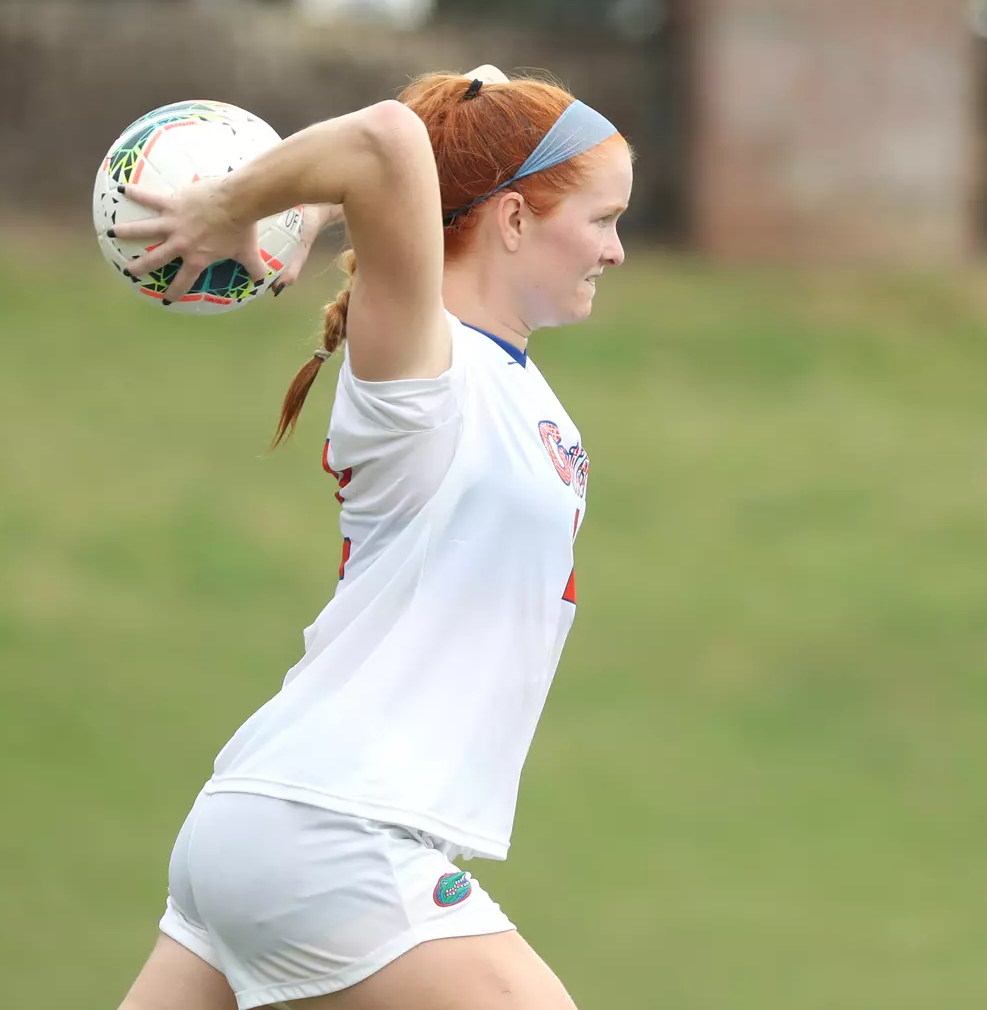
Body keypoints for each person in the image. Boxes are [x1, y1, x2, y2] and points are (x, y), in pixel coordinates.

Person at [110, 64, 632, 1010]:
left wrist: (310, 214)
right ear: (513, 221)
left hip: (262, 823)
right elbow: (390, 140)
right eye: (600, 220)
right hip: (337, 831)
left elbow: (442, 119)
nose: (617, 249)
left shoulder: (507, 384)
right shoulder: (423, 370)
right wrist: (240, 204)